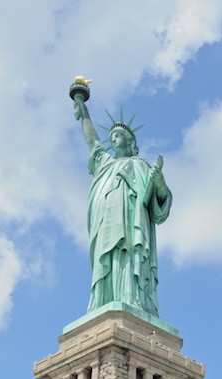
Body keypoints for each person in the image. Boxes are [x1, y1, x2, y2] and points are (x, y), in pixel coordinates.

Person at [72, 93, 172, 316]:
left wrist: (160, 183)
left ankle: (132, 299)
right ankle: (104, 301)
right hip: (106, 225)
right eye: (112, 136)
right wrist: (83, 113)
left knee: (127, 258)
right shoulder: (106, 164)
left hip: (130, 226)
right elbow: (93, 143)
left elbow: (159, 209)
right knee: (108, 260)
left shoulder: (141, 166)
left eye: (118, 135)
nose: (114, 139)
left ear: (130, 141)